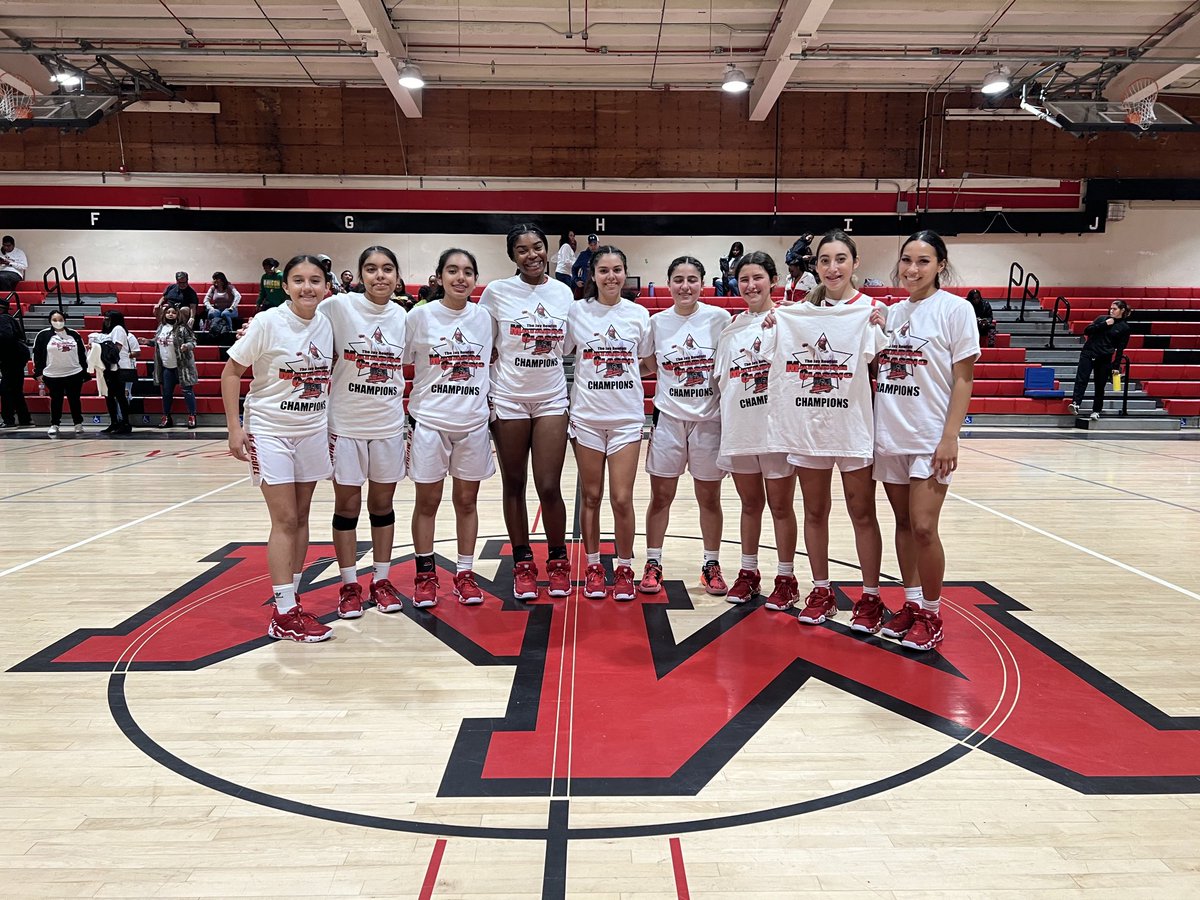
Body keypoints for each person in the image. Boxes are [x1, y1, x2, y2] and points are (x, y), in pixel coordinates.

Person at [766, 230, 888, 629]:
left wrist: (884, 328)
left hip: (852, 427)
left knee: (862, 512)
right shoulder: (797, 313)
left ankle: (871, 597)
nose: (832, 268)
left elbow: (881, 367)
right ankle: (821, 590)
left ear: (855, 263)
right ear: (815, 266)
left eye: (840, 259)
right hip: (808, 428)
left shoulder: (870, 310)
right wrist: (774, 322)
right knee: (815, 511)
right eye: (824, 260)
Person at [872, 230, 978, 652]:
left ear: (940, 266)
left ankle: (932, 614)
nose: (912, 269)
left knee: (923, 527)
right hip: (890, 433)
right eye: (907, 260)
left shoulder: (956, 309)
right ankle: (912, 604)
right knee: (902, 524)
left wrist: (951, 436)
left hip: (930, 435)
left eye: (923, 261)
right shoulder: (891, 314)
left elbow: (964, 378)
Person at [222, 254, 334, 643]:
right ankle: (284, 614)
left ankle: (290, 601)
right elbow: (231, 372)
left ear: (327, 287)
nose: (307, 287)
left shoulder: (328, 321)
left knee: (301, 517)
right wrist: (234, 428)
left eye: (315, 280)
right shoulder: (268, 322)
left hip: (312, 430)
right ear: (284, 286)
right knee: (284, 519)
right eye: (298, 280)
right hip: (270, 431)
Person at [479, 224, 574, 600]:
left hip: (551, 398)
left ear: (547, 249)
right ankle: (522, 563)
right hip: (508, 398)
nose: (531, 255)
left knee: (549, 486)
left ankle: (558, 561)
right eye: (522, 249)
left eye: (537, 247)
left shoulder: (563, 292)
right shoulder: (496, 292)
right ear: (512, 256)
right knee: (514, 483)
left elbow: (569, 345)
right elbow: (483, 342)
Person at [404, 248, 494, 607]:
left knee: (467, 501)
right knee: (427, 502)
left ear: (475, 279)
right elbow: (399, 359)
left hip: (472, 423)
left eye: (468, 272)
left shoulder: (485, 318)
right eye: (453, 270)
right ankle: (425, 575)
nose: (461, 277)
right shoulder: (419, 316)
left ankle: (465, 574)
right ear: (439, 276)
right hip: (430, 422)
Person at [322, 246, 409, 619]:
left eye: (387, 269)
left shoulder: (403, 316)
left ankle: (382, 580)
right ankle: (348, 585)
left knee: (382, 506)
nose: (380, 276)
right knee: (347, 507)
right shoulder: (338, 307)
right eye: (371, 269)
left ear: (397, 277)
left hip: (388, 424)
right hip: (346, 424)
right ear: (360, 275)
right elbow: (298, 317)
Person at [640, 255, 731, 596]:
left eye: (692, 279)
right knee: (661, 496)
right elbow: (649, 364)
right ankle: (653, 562)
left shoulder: (719, 319)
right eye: (678, 279)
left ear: (703, 284)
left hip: (709, 420)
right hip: (669, 419)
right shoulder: (657, 323)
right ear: (669, 284)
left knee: (709, 498)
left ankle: (711, 564)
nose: (685, 286)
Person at [565, 245, 653, 600]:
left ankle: (625, 567)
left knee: (621, 497)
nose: (611, 276)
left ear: (625, 273)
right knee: (591, 496)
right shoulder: (577, 311)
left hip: (626, 419)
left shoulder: (638, 314)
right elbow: (561, 351)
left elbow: (648, 363)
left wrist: (622, 373)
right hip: (587, 417)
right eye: (604, 270)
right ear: (593, 275)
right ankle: (592, 566)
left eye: (617, 270)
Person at [712, 251, 798, 609]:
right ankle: (748, 573)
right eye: (744, 279)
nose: (750, 285)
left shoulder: (790, 319)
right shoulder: (731, 329)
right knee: (749, 505)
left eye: (757, 277)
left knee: (780, 507)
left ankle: (786, 578)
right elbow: (722, 382)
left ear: (773, 280)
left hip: (775, 431)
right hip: (742, 430)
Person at [1070, 300, 1131, 420]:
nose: (1111, 311)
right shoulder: (1102, 319)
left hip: (1104, 357)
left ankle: (1096, 410)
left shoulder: (1124, 327)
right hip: (1088, 353)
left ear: (1122, 310)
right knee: (1081, 379)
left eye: (1115, 309)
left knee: (1100, 384)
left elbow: (1120, 349)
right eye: (1111, 308)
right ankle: (1076, 403)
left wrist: (1116, 366)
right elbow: (1087, 330)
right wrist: (1104, 324)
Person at [33, 309, 89, 436]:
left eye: (60, 320)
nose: (58, 322)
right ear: (50, 321)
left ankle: (78, 423)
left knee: (74, 400)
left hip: (74, 372)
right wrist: (38, 372)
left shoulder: (74, 334)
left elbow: (82, 353)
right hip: (52, 374)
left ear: (64, 320)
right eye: (55, 320)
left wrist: (84, 370)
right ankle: (55, 424)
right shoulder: (43, 335)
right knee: (56, 400)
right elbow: (37, 355)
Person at [88, 310, 139, 434]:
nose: (105, 321)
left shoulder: (118, 329)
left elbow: (116, 347)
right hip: (108, 367)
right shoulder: (105, 333)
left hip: (118, 367)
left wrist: (101, 349)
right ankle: (114, 422)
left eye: (108, 319)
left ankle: (125, 423)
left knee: (120, 396)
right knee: (109, 395)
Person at [150, 303, 198, 429]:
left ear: (178, 314)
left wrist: (186, 346)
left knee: (187, 391)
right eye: (168, 312)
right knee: (166, 393)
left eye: (173, 312)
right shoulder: (161, 327)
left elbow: (193, 342)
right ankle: (166, 417)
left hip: (182, 366)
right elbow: (157, 342)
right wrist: (148, 342)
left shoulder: (183, 328)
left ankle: (192, 416)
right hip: (166, 366)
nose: (170, 314)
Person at [571, 233, 600, 297]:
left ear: (598, 243)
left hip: (600, 286)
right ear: (588, 245)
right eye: (591, 245)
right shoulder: (583, 255)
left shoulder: (603, 254)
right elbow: (574, 268)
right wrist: (576, 280)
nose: (593, 247)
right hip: (587, 286)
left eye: (595, 244)